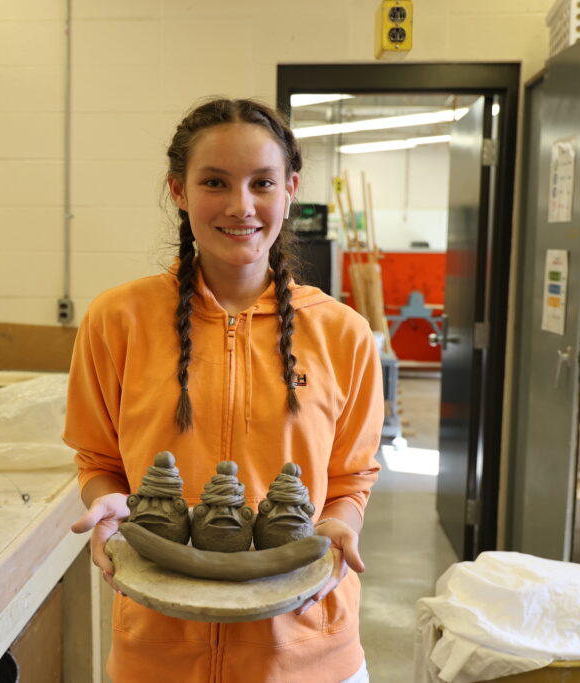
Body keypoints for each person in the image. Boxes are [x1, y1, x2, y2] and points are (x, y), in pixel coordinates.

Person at [65, 98, 383, 683]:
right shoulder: (118, 320)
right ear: (178, 191)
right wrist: (105, 501)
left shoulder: (344, 333)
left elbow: (350, 479)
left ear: (289, 189)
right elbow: (100, 458)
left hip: (307, 653)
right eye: (215, 182)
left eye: (261, 182)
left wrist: (343, 523)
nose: (241, 206)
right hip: (157, 651)